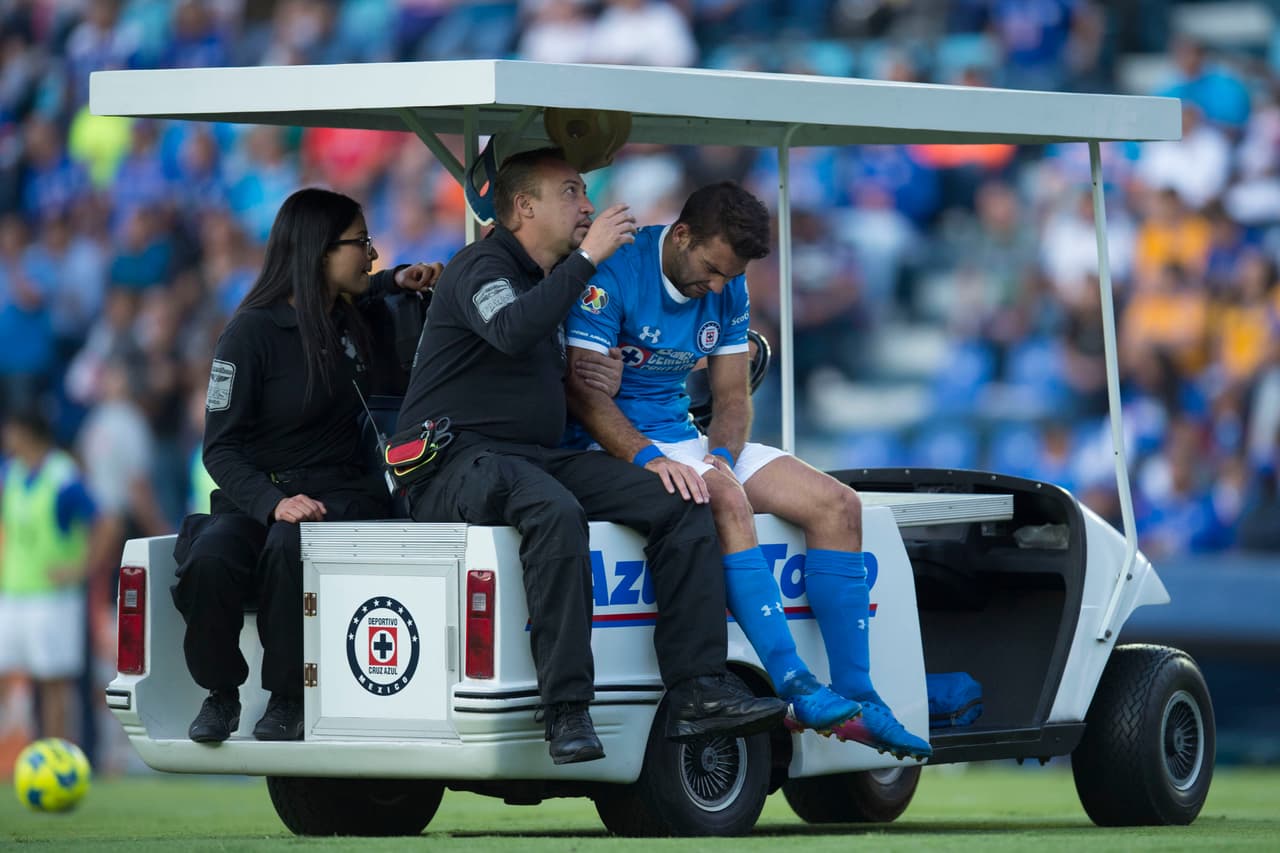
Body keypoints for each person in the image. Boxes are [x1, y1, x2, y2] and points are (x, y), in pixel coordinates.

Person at [396, 148, 787, 766]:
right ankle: (567, 709)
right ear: (524, 207)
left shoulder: (552, 280)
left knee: (683, 496)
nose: (587, 205)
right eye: (572, 192)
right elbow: (512, 331)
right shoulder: (483, 265)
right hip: (453, 462)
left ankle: (697, 689)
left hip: (530, 457)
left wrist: (589, 367)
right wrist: (587, 259)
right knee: (551, 510)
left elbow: (548, 348)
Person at [564, 182, 932, 760]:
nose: (716, 286)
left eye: (726, 276)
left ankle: (860, 697)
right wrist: (652, 459)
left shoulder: (729, 284)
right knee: (726, 499)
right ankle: (795, 685)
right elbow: (586, 397)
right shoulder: (616, 272)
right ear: (681, 235)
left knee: (838, 505)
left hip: (685, 436)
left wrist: (723, 458)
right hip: (614, 447)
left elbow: (732, 398)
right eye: (710, 269)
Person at [172, 188, 442, 744]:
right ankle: (220, 693)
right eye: (361, 242)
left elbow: (374, 288)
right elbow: (219, 449)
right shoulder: (249, 333)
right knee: (210, 560)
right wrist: (272, 503)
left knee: (287, 547)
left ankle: (287, 699)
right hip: (262, 498)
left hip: (342, 494)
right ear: (320, 252)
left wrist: (397, 280)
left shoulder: (349, 314)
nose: (371, 253)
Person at [0, 408, 105, 742]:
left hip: (52, 597)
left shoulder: (63, 476)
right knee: (9, 676)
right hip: (14, 591)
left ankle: (55, 754)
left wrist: (81, 568)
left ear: (28, 432)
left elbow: (104, 521)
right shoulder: (11, 473)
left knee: (54, 684)